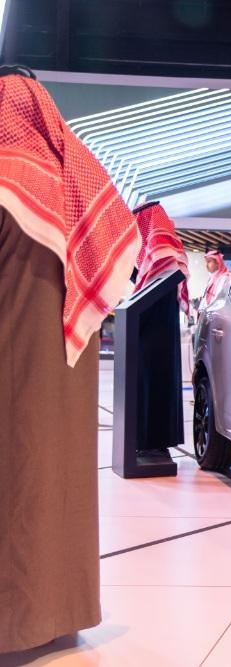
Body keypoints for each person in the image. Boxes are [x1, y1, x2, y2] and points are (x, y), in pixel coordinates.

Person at [1, 70, 140, 651]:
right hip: (68, 369)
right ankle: (64, 612)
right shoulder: (75, 184)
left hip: (14, 367)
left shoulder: (6, 181)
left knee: (16, 485)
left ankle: (14, 627)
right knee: (60, 485)